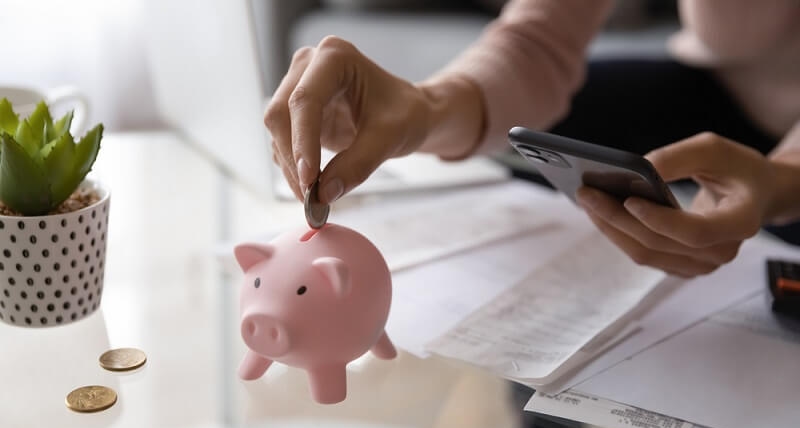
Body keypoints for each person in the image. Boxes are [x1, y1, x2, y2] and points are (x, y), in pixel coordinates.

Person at [264, 0, 800, 277]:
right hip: (728, 82)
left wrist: (780, 182)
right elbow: (539, 40)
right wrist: (425, 108)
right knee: (548, 139)